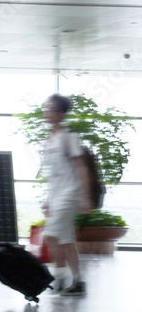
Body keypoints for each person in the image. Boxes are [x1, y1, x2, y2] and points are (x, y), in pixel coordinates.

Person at [40, 94, 92, 296]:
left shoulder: (68, 137)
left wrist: (85, 197)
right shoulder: (49, 141)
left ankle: (59, 277)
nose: (46, 113)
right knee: (66, 240)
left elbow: (81, 167)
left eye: (51, 109)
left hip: (70, 193)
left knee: (50, 234)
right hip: (57, 194)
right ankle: (78, 281)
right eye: (46, 108)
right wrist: (48, 199)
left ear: (61, 114)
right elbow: (53, 174)